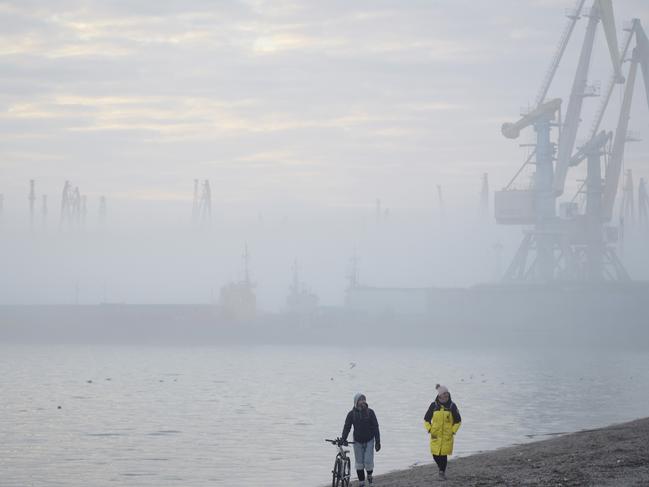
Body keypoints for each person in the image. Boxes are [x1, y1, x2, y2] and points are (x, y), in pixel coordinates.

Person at [341, 393, 381, 487]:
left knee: (368, 461)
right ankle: (362, 482)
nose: (362, 401)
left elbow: (376, 427)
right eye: (360, 400)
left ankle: (370, 477)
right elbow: (347, 427)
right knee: (359, 463)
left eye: (364, 399)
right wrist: (343, 438)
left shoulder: (370, 412)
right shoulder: (351, 414)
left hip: (369, 440)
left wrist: (378, 441)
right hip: (357, 441)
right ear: (356, 402)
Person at [423, 384, 461, 481]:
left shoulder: (452, 406)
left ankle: (441, 472)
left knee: (443, 455)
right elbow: (426, 420)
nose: (445, 396)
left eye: (447, 394)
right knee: (435, 454)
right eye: (443, 394)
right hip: (435, 434)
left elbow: (458, 421)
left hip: (447, 436)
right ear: (439, 396)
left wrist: (453, 431)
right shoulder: (433, 405)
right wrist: (430, 429)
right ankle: (441, 469)